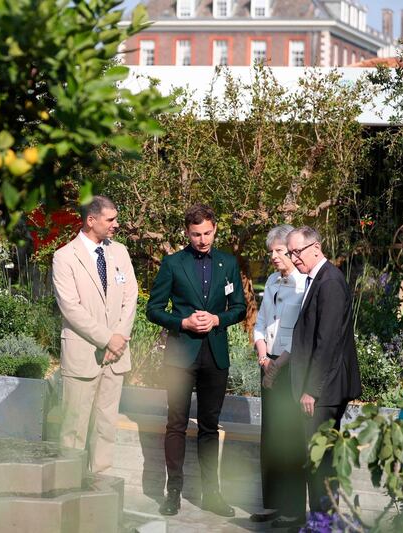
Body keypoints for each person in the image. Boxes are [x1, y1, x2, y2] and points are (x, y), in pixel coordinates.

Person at [146, 204, 246, 517]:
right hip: (180, 355)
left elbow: (240, 308)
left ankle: (212, 494)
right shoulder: (173, 263)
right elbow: (154, 309)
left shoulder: (228, 263)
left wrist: (217, 319)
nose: (202, 239)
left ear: (215, 229)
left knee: (209, 427)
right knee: (175, 424)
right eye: (195, 234)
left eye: (207, 233)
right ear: (187, 233)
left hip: (215, 356)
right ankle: (173, 492)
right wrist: (183, 323)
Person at [51, 195, 138, 473]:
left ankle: (100, 486)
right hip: (83, 356)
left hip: (116, 356)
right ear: (91, 220)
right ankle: (68, 484)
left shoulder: (120, 252)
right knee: (73, 427)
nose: (116, 224)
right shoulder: (64, 257)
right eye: (110, 219)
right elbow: (71, 308)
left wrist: (119, 337)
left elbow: (130, 297)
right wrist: (106, 338)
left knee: (105, 426)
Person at [285, 226, 362, 522]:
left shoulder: (329, 281)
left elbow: (327, 341)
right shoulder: (317, 278)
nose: (293, 258)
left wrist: (312, 389)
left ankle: (324, 522)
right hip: (321, 388)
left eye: (297, 252)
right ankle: (320, 520)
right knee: (317, 458)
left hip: (324, 390)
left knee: (321, 460)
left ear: (315, 247)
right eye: (290, 252)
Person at [249, 225, 307, 524]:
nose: (273, 256)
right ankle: (271, 502)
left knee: (289, 438)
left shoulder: (302, 284)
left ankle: (293, 508)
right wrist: (261, 353)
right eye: (270, 251)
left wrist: (276, 366)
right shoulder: (272, 281)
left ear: (293, 252)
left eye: (280, 251)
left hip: (287, 367)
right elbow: (260, 323)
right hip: (267, 363)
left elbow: (299, 335)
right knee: (269, 436)